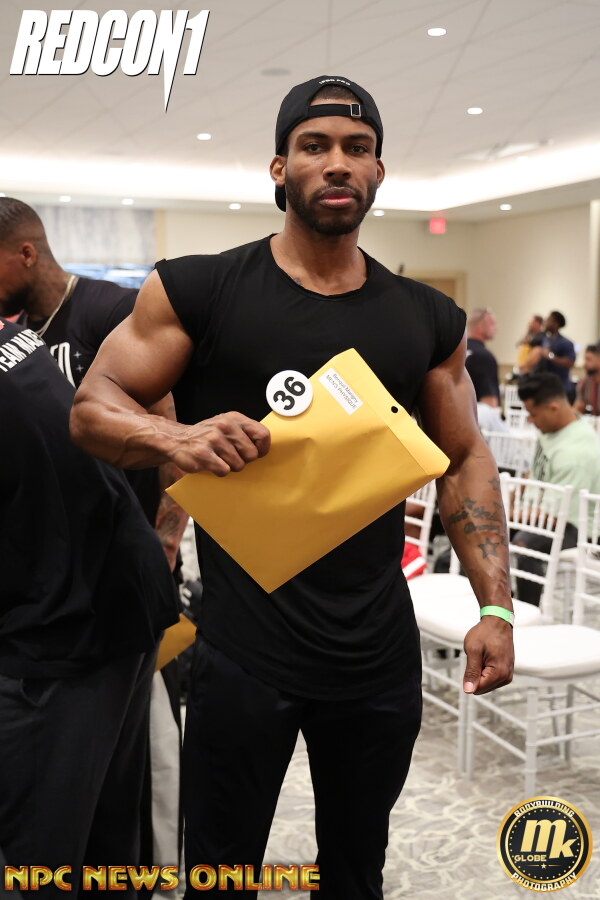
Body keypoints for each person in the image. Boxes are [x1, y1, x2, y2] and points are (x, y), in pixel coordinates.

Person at [70, 75, 514, 899]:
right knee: (220, 869)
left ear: (379, 172)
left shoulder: (426, 318)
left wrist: (496, 606)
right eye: (315, 146)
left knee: (356, 869)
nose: (337, 163)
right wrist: (177, 436)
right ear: (280, 168)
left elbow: (463, 458)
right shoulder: (200, 288)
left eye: (357, 148)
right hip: (246, 651)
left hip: (376, 651)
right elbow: (91, 409)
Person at [0, 196, 189, 868]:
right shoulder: (18, 334)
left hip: (98, 589)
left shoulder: (111, 311)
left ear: (26, 253)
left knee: (75, 825)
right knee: (99, 818)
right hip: (78, 572)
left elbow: (172, 435)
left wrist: (166, 542)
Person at [515, 372, 600, 605]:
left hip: (577, 528)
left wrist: (507, 514)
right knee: (480, 530)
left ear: (553, 407)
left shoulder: (576, 452)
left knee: (524, 544)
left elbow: (554, 518)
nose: (530, 420)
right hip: (539, 514)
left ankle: (528, 612)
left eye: (533, 414)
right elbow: (534, 472)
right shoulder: (551, 429)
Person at [525, 310, 576, 395]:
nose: (545, 322)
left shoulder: (565, 343)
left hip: (559, 388)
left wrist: (550, 356)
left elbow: (570, 362)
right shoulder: (543, 340)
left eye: (548, 320)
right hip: (543, 386)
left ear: (555, 323)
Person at [465, 307, 500, 407]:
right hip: (475, 414)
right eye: (492, 323)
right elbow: (490, 403)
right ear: (480, 326)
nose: (496, 328)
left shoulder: (457, 351)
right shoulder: (484, 357)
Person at [574, 343, 600, 416]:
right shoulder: (585, 383)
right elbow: (578, 407)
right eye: (585, 359)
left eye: (589, 359)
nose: (585, 364)